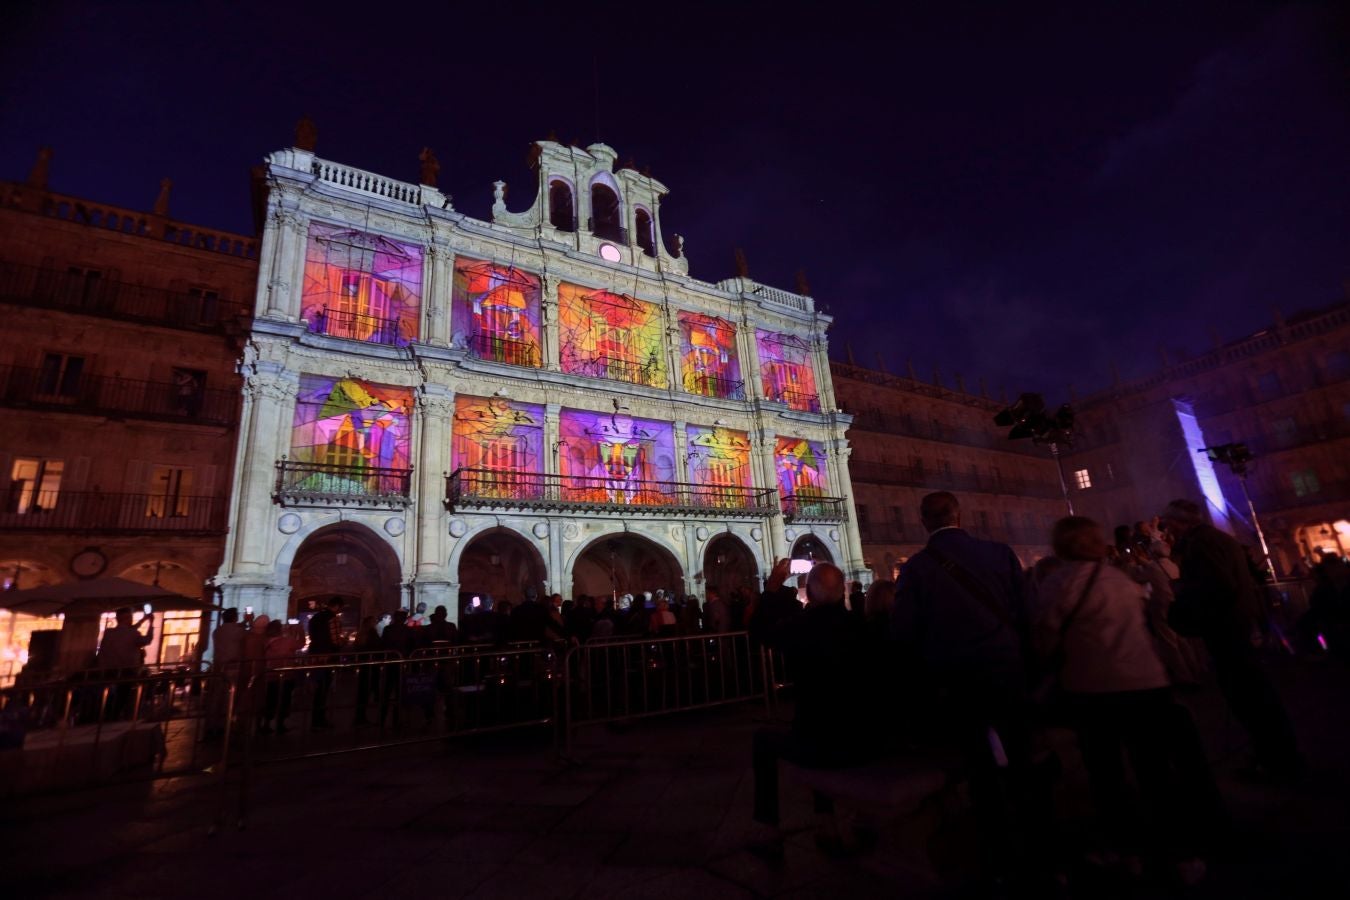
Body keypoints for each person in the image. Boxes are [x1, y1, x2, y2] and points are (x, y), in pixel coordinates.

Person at [1035, 517, 1222, 882]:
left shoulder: (1058, 583)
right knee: (1154, 771)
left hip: (1093, 688)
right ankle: (1179, 854)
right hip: (1147, 683)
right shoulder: (1120, 579)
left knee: (1107, 775)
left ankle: (1126, 850)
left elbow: (1044, 637)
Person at [890, 491, 1041, 884]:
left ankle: (997, 857)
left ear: (924, 520)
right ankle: (1041, 848)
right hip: (1007, 670)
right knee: (1022, 757)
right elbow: (1028, 613)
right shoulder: (1001, 553)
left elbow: (904, 633)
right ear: (959, 514)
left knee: (979, 766)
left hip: (957, 679)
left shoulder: (918, 568)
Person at [1160, 499, 1302, 781]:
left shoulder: (1200, 545)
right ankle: (1276, 755)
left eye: (1169, 524)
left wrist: (1184, 605)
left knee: (1249, 699)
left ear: (1180, 522)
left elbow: (1217, 587)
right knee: (1256, 696)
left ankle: (1276, 761)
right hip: (1237, 627)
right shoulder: (1221, 539)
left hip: (1226, 632)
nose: (1168, 531)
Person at [750, 559, 881, 858]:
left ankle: (769, 829)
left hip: (819, 745)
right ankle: (827, 823)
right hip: (867, 741)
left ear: (808, 592)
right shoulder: (863, 627)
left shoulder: (801, 627)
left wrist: (771, 590)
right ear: (843, 590)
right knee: (827, 725)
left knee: (766, 741)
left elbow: (758, 632)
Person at [306, 597, 344, 729]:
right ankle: (319, 720)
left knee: (318, 687)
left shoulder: (316, 617)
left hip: (315, 654)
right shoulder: (333, 618)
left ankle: (315, 719)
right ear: (337, 606)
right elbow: (336, 640)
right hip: (327, 656)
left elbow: (311, 635)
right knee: (324, 688)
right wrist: (341, 644)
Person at [97, 607, 154, 673]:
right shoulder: (133, 634)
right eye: (131, 617)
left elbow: (127, 631)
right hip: (127, 672)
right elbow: (148, 640)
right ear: (128, 618)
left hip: (109, 672)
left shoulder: (108, 633)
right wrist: (151, 623)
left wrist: (143, 620)